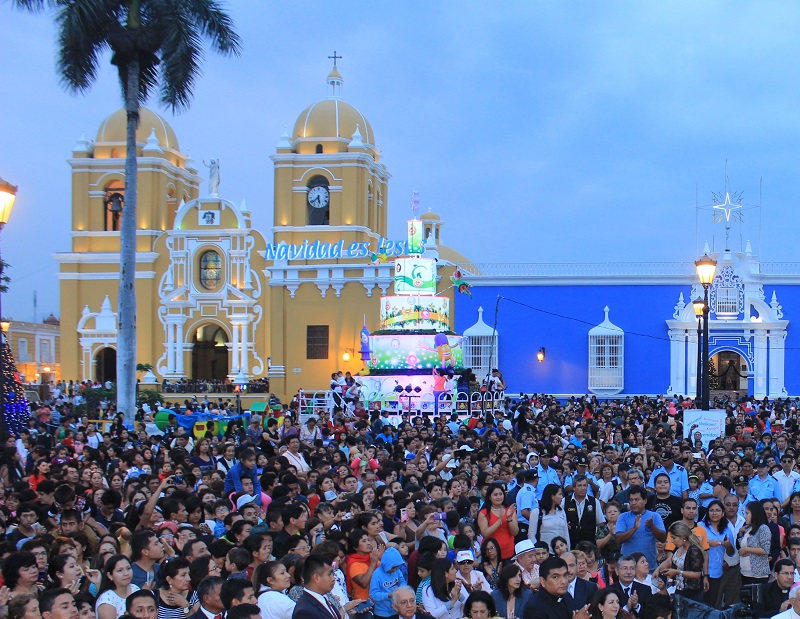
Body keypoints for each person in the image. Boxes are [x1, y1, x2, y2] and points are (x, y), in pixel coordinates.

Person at [614, 487, 666, 571]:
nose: (633, 503)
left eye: (637, 499)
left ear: (645, 501)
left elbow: (663, 538)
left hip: (649, 567)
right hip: (628, 569)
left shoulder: (655, 516)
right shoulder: (623, 517)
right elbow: (618, 539)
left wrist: (652, 527)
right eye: (631, 500)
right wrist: (634, 529)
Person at [653, 522, 704, 602]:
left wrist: (677, 572)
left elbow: (697, 574)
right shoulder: (679, 548)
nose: (672, 541)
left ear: (682, 537)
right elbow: (670, 560)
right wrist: (658, 569)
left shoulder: (694, 551)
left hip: (692, 593)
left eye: (674, 538)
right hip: (679, 589)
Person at [523, 556, 587, 619]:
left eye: (565, 575)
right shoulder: (535, 608)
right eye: (555, 577)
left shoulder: (566, 596)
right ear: (542, 581)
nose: (564, 581)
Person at [477, 483, 519, 561]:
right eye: (495, 495)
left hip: (508, 552)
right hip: (491, 554)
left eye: (500, 494)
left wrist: (509, 518)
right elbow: (485, 533)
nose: (499, 497)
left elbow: (515, 532)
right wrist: (500, 519)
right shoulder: (484, 513)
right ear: (489, 497)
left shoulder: (510, 510)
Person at [291, 555, 338, 619]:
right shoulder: (305, 611)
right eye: (329, 574)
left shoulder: (323, 598)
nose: (333, 578)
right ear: (316, 578)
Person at [564, 476, 605, 549]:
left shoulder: (595, 502)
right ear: (573, 488)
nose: (583, 488)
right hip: (570, 543)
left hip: (589, 544)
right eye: (579, 485)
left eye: (585, 485)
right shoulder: (565, 501)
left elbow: (600, 523)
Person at [96, 554, 141, 619]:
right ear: (110, 575)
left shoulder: (135, 589)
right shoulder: (107, 600)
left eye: (128, 568)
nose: (126, 573)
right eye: (120, 570)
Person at [738, 500, 772, 584]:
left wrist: (747, 549)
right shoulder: (748, 528)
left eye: (747, 513)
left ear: (754, 514)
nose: (745, 516)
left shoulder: (763, 528)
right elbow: (742, 547)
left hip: (758, 575)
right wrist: (740, 534)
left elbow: (765, 550)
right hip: (745, 573)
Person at [528, 484, 569, 551]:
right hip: (545, 552)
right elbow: (531, 534)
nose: (562, 497)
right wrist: (538, 550)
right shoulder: (537, 512)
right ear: (552, 496)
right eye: (559, 494)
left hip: (561, 551)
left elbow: (566, 533)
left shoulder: (561, 511)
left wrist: (568, 549)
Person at [370, 547, 408, 619]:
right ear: (386, 564)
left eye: (397, 567)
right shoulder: (377, 574)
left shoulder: (397, 571)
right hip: (382, 613)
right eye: (393, 567)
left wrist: (401, 589)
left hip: (396, 610)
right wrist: (388, 595)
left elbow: (402, 581)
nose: (394, 570)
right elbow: (373, 594)